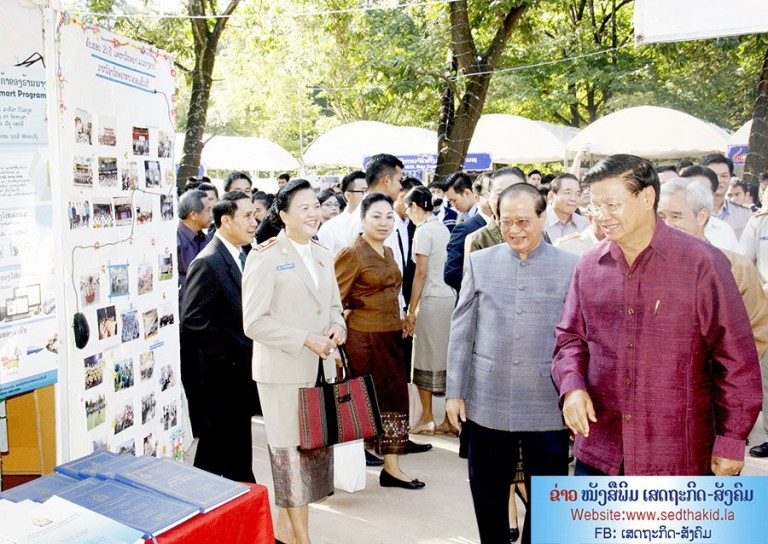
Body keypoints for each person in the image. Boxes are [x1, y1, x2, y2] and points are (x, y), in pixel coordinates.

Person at [552, 154, 762, 476]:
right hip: (600, 451)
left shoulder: (701, 264)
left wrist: (732, 440)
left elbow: (735, 358)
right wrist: (572, 386)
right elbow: (570, 338)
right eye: (595, 206)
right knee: (588, 529)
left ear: (647, 197)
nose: (602, 217)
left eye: (612, 205)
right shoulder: (590, 265)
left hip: (677, 455)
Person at [446, 183, 577, 544]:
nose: (515, 230)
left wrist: (576, 393)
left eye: (524, 221)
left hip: (546, 399)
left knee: (550, 494)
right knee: (487, 487)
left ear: (542, 216)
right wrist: (455, 393)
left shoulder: (571, 267)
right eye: (507, 222)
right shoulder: (480, 261)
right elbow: (462, 330)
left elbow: (579, 338)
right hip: (488, 397)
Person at [242, 179, 346, 544]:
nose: (314, 213)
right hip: (283, 375)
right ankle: (304, 540)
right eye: (304, 207)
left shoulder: (322, 253)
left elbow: (334, 306)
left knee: (311, 458)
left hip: (320, 370)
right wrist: (304, 338)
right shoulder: (265, 256)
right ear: (283, 214)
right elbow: (254, 321)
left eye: (316, 205)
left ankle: (284, 533)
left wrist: (337, 326)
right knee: (290, 460)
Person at [335, 193, 426, 490]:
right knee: (361, 404)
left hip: (390, 340)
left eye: (389, 216)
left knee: (393, 401)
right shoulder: (352, 253)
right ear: (362, 219)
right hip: (363, 341)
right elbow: (335, 300)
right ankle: (350, 471)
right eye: (376, 216)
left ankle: (392, 468)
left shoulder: (388, 252)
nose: (384, 222)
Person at [180, 191, 259, 483]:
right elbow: (194, 321)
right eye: (247, 216)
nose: (254, 222)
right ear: (226, 220)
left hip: (238, 377)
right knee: (219, 453)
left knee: (229, 451)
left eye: (255, 215)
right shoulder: (209, 261)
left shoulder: (245, 253)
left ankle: (239, 508)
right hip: (220, 377)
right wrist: (239, 351)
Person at [403, 186, 455, 436]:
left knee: (423, 359)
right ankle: (447, 418)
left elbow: (420, 273)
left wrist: (411, 309)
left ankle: (426, 417)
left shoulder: (423, 231)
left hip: (432, 300)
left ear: (414, 207)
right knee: (447, 359)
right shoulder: (442, 227)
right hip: (448, 298)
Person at [443, 172, 487, 293]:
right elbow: (452, 273)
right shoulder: (462, 220)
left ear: (467, 193)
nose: (452, 205)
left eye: (454, 200)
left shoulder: (484, 218)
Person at [465, 167, 526, 253]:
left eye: (515, 192)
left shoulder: (539, 235)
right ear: (488, 197)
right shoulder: (478, 240)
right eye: (500, 193)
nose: (507, 199)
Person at [679, 165, 739, 251]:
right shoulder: (667, 225)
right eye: (691, 190)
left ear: (712, 195)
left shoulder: (724, 231)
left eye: (703, 191)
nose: (696, 195)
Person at [700, 153, 752, 239]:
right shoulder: (692, 210)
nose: (719, 180)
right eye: (713, 175)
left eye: (724, 176)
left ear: (730, 178)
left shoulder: (744, 213)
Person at [317, 171, 367, 256]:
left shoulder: (380, 224)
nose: (368, 196)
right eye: (364, 191)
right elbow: (325, 264)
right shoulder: (329, 228)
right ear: (348, 195)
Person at [177, 189, 212, 306]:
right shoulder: (176, 241)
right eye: (208, 210)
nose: (211, 215)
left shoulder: (205, 239)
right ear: (193, 215)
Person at [545, 173, 589, 243]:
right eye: (568, 192)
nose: (573, 198)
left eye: (578, 194)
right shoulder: (538, 222)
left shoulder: (584, 224)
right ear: (551, 196)